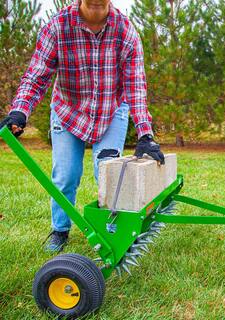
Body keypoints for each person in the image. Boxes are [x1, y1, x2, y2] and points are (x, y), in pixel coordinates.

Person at [0, 0, 164, 252]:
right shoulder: (57, 27)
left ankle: (113, 229)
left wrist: (145, 132)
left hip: (111, 110)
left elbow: (135, 86)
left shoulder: (125, 30)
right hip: (68, 111)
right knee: (66, 175)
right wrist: (20, 110)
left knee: (108, 172)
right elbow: (36, 76)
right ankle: (60, 230)